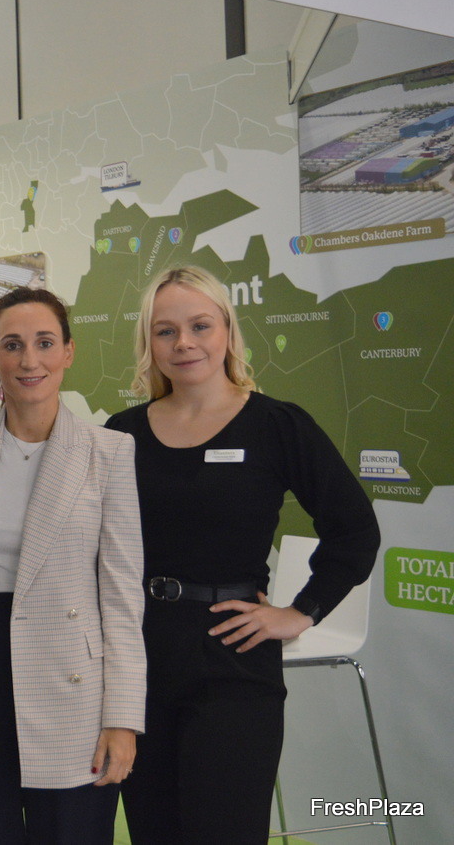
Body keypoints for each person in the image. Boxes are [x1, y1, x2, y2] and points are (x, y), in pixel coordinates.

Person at [106, 266, 380, 845]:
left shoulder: (277, 425)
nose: (184, 343)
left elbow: (354, 530)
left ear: (228, 331)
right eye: (165, 331)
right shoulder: (120, 434)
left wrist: (301, 612)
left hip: (233, 661)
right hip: (138, 659)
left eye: (200, 326)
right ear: (148, 342)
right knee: (154, 831)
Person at [0, 286, 145, 844]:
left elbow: (121, 598)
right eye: (12, 345)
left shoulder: (109, 452)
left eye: (44, 342)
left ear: (68, 351)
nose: (28, 360)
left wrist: (122, 718)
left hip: (72, 693)